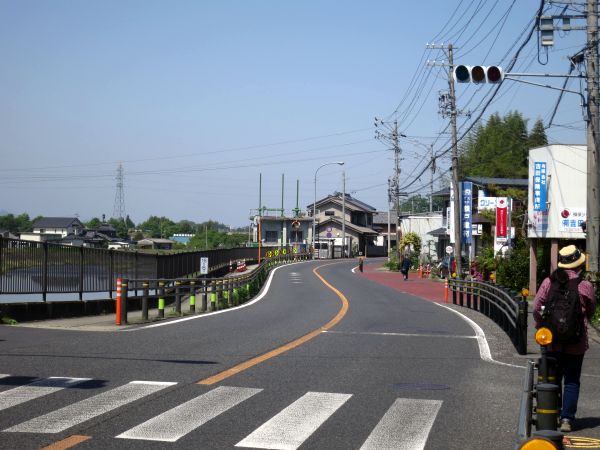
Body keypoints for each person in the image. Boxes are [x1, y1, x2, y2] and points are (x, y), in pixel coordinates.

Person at [532, 245, 596, 432]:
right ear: (578, 264)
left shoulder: (548, 282)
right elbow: (591, 310)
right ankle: (567, 419)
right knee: (572, 380)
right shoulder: (585, 286)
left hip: (551, 341)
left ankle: (550, 414)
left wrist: (543, 325)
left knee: (552, 379)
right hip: (576, 342)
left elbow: (536, 307)